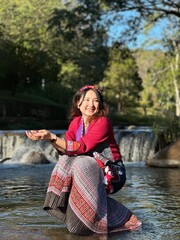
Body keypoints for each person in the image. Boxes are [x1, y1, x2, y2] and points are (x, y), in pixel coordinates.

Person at [25, 85, 141, 235]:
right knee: (66, 160)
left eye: (96, 101)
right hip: (89, 167)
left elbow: (82, 147)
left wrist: (52, 136)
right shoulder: (76, 122)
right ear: (78, 103)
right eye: (87, 99)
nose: (91, 104)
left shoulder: (103, 122)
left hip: (112, 172)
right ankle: (114, 216)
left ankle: (102, 219)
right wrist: (49, 139)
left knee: (81, 162)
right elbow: (66, 149)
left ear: (100, 105)